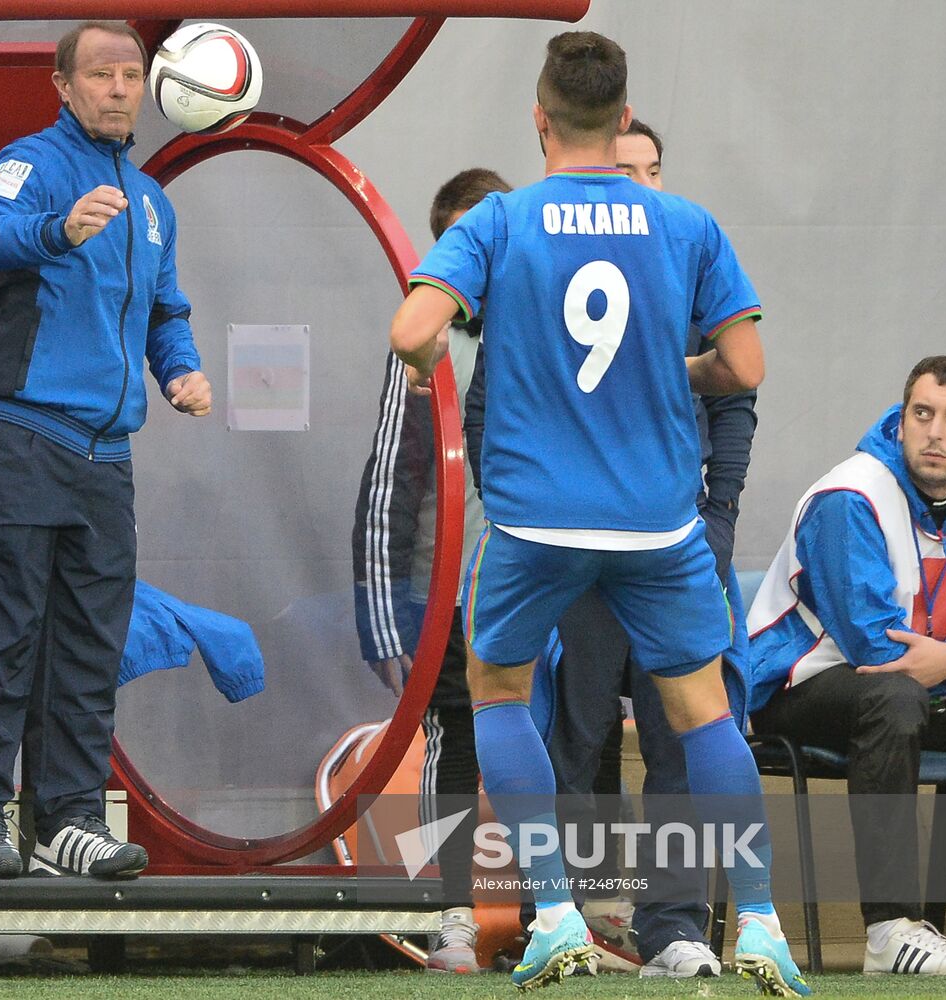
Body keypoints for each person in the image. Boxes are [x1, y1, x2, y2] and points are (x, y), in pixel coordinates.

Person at [390, 31, 809, 996]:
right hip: (656, 522)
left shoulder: (499, 220)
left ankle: (558, 916)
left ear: (538, 118)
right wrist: (674, 369)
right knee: (702, 712)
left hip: (537, 523)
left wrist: (430, 367)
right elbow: (743, 369)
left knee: (496, 690)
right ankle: (758, 921)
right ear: (622, 121)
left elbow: (412, 331)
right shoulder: (685, 224)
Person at [0, 20, 212, 879]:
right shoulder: (30, 163)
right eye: (100, 74)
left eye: (130, 74)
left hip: (104, 457)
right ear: (63, 85)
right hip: (14, 434)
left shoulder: (153, 202)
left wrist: (182, 372)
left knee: (91, 646)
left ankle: (66, 819)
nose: (119, 88)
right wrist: (57, 230)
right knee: (4, 637)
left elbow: (165, 310)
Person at [538, 118, 757, 979]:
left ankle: (672, 925)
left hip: (673, 550)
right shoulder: (545, 265)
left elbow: (738, 392)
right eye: (625, 169)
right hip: (574, 550)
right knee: (567, 731)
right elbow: (497, 401)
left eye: (653, 170)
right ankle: (559, 914)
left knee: (682, 738)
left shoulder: (696, 266)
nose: (640, 185)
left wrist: (720, 516)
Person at [748, 355, 946, 975]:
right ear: (903, 417)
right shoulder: (850, 497)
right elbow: (877, 652)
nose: (934, 431)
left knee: (911, 700)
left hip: (931, 693)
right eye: (922, 413)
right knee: (895, 697)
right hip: (803, 685)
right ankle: (889, 931)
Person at [352, 168, 512, 973]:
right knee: (458, 745)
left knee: (560, 737)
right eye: (458, 239)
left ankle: (578, 916)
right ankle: (450, 917)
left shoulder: (543, 329)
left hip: (540, 580)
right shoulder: (423, 341)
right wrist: (383, 617)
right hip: (450, 590)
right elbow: (387, 483)